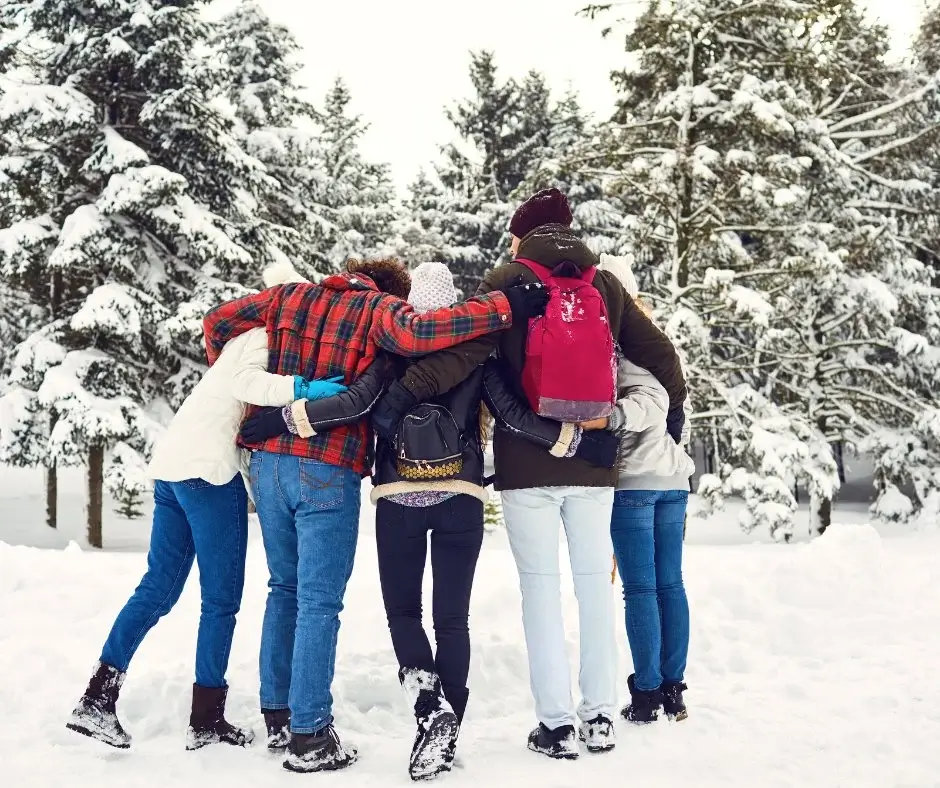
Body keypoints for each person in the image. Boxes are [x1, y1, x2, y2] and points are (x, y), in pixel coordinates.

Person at [240, 261, 619, 780]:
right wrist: (574, 441)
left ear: (412, 305)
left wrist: (284, 418)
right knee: (453, 620)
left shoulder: (392, 352)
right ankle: (448, 729)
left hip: (398, 497)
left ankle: (428, 710)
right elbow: (512, 415)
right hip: (461, 495)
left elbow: (355, 404)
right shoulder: (478, 353)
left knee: (404, 614)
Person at [413, 188, 688, 759]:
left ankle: (556, 726)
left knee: (539, 592)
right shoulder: (605, 283)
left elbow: (475, 357)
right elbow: (663, 358)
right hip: (595, 461)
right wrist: (668, 427)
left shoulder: (506, 278)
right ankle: (600, 719)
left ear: (523, 234)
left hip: (525, 462)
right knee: (594, 588)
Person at [65, 263, 345, 751]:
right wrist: (305, 390)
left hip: (174, 466)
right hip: (206, 474)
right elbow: (248, 387)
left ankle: (97, 698)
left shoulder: (243, 341)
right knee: (220, 600)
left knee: (159, 588)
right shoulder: (261, 338)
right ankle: (206, 718)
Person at [597, 254, 695, 725]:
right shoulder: (658, 344)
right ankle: (672, 688)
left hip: (636, 481)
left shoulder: (621, 344)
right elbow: (674, 409)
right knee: (669, 586)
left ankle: (648, 693)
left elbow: (649, 406)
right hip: (673, 479)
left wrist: (609, 418)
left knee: (641, 589)